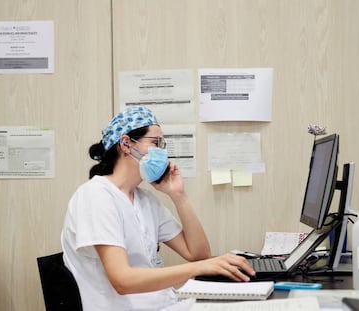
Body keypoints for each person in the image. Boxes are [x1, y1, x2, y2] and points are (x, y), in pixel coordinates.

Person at [61, 106, 255, 310]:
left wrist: (178, 195)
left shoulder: (144, 199)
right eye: (155, 143)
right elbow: (122, 280)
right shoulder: (95, 196)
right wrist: (198, 268)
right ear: (126, 144)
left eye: (162, 144)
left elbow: (198, 254)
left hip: (161, 303)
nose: (162, 152)